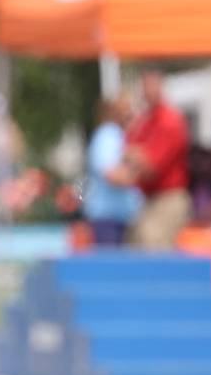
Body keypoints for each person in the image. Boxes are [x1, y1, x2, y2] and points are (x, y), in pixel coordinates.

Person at [119, 70, 191, 250]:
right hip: (149, 199)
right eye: (144, 87)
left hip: (168, 198)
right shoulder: (145, 121)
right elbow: (127, 153)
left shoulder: (169, 120)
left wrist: (133, 155)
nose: (146, 92)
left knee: (151, 243)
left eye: (150, 86)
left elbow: (152, 167)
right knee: (134, 243)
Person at [82, 96, 142, 246]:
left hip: (119, 218)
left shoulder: (116, 135)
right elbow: (111, 174)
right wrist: (143, 175)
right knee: (111, 267)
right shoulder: (108, 135)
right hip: (108, 219)